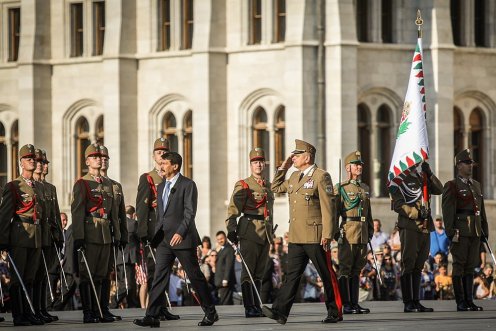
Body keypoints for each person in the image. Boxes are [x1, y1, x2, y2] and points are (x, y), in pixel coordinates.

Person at [133, 152, 218, 327]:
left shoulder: (188, 184)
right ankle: (152, 315)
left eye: (165, 163)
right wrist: (155, 235)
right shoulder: (162, 185)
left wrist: (180, 232)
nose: (161, 166)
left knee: (194, 276)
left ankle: (211, 312)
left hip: (182, 239)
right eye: (161, 163)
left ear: (175, 166)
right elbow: (160, 215)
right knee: (159, 276)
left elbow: (189, 212)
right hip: (164, 240)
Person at [263, 139, 341, 325]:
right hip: (297, 236)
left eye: (296, 156)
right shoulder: (294, 177)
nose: (293, 158)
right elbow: (274, 187)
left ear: (307, 157)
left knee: (326, 274)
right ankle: (280, 312)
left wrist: (328, 234)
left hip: (315, 236)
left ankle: (335, 311)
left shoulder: (321, 176)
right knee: (292, 275)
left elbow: (328, 207)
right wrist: (283, 167)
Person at [71, 143, 121, 323]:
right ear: (87, 161)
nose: (99, 159)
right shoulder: (82, 183)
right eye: (94, 157)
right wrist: (79, 237)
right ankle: (89, 311)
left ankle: (103, 309)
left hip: (106, 233)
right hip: (90, 233)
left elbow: (114, 213)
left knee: (103, 273)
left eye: (101, 157)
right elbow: (77, 212)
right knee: (88, 274)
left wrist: (119, 235)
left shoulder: (108, 184)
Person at [226, 147, 274, 317]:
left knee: (259, 271)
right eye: (255, 162)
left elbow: (270, 211)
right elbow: (233, 209)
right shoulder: (244, 184)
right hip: (250, 231)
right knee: (249, 271)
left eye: (261, 161)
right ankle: (249, 307)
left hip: (266, 232)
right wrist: (231, 229)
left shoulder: (268, 185)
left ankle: (256, 305)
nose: (258, 165)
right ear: (250, 165)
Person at [389, 161, 443, 312]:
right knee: (409, 264)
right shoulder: (398, 180)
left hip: (425, 227)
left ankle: (416, 301)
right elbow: (398, 205)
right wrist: (417, 213)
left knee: (419, 265)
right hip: (410, 226)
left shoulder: (422, 177)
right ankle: (408, 302)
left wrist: (430, 173)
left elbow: (439, 189)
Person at [0, 144, 44, 326]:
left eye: (33, 158)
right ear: (21, 163)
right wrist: (3, 240)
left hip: (36, 235)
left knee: (31, 277)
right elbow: (5, 215)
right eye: (28, 158)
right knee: (18, 278)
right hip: (20, 235)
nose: (32, 161)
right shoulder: (13, 186)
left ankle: (29, 312)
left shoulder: (39, 187)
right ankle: (19, 315)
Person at [135, 138, 178, 320]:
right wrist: (143, 233)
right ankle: (153, 310)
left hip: (169, 232)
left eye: (164, 152)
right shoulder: (148, 178)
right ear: (153, 156)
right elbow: (142, 207)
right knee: (154, 272)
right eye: (158, 152)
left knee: (165, 270)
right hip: (154, 231)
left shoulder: (172, 178)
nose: (161, 155)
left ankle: (161, 308)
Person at [442, 149, 489, 311]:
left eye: (471, 164)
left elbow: (481, 211)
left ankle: (469, 300)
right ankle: (460, 301)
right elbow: (448, 212)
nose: (470, 167)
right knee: (459, 265)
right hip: (460, 231)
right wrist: (450, 231)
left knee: (471, 266)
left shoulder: (476, 185)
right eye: (467, 164)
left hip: (475, 230)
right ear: (459, 165)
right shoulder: (452, 186)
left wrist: (484, 230)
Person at [335, 151, 373, 314]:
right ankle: (346, 304)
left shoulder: (364, 188)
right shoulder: (341, 188)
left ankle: (354, 303)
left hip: (362, 232)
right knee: (345, 268)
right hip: (348, 231)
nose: (359, 167)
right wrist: (335, 233)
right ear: (348, 168)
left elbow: (368, 212)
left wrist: (370, 229)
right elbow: (334, 213)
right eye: (356, 164)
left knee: (357, 269)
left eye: (360, 165)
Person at [31, 149, 60, 323]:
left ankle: (41, 308)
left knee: (43, 274)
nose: (44, 165)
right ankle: (33, 309)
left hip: (48, 234)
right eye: (41, 162)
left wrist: (57, 233)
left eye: (45, 162)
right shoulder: (32, 186)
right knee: (33, 274)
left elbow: (54, 213)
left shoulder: (49, 187)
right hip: (36, 234)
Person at [100, 146, 128, 320]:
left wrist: (123, 235)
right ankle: (93, 308)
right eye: (99, 157)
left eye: (105, 158)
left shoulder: (116, 185)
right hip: (95, 234)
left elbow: (121, 214)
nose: (103, 160)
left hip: (111, 234)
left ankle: (104, 307)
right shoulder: (86, 183)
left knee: (107, 272)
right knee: (95, 273)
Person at [116, 205, 140, 308]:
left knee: (128, 284)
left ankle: (133, 304)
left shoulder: (118, 223)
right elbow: (140, 237)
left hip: (119, 259)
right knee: (127, 285)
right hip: (128, 258)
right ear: (133, 214)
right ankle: (113, 302)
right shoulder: (133, 223)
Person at [214, 231, 236, 305]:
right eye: (218, 239)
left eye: (222, 238)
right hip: (220, 281)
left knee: (225, 302)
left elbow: (228, 265)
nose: (220, 240)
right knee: (224, 301)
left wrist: (226, 279)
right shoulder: (221, 249)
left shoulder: (229, 249)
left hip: (225, 282)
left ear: (225, 238)